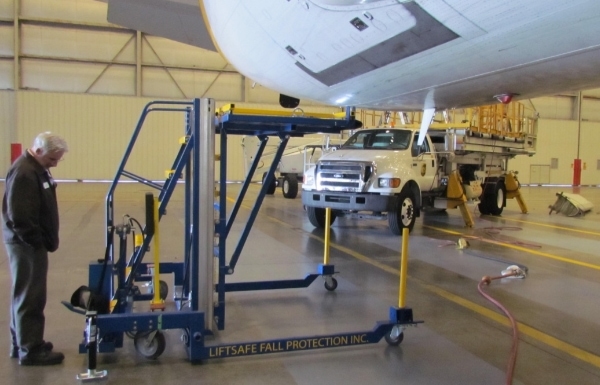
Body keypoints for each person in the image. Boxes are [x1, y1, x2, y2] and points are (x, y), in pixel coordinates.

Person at [2, 132, 68, 366]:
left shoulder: (36, 169)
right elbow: (19, 216)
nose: (55, 164)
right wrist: (35, 241)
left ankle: (22, 342)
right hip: (26, 245)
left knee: (25, 293)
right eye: (52, 159)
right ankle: (30, 350)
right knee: (31, 296)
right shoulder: (24, 173)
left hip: (30, 243)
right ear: (38, 151)